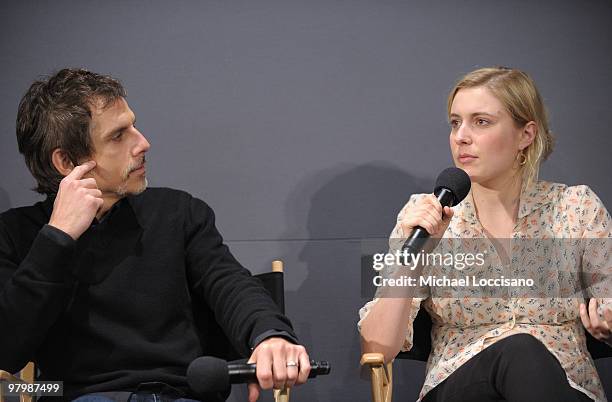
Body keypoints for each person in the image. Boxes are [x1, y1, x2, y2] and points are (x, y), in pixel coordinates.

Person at [0, 68, 311, 402]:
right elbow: (8, 351)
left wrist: (269, 334)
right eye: (118, 136)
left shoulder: (179, 212)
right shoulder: (18, 235)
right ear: (66, 161)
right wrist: (57, 238)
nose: (143, 143)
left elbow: (228, 281)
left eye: (133, 125)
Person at [359, 67, 611, 402]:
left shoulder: (576, 208)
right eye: (455, 122)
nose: (461, 136)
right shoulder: (423, 216)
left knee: (528, 355)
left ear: (526, 134)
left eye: (481, 122)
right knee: (519, 348)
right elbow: (377, 350)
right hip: (460, 386)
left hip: (564, 386)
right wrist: (411, 258)